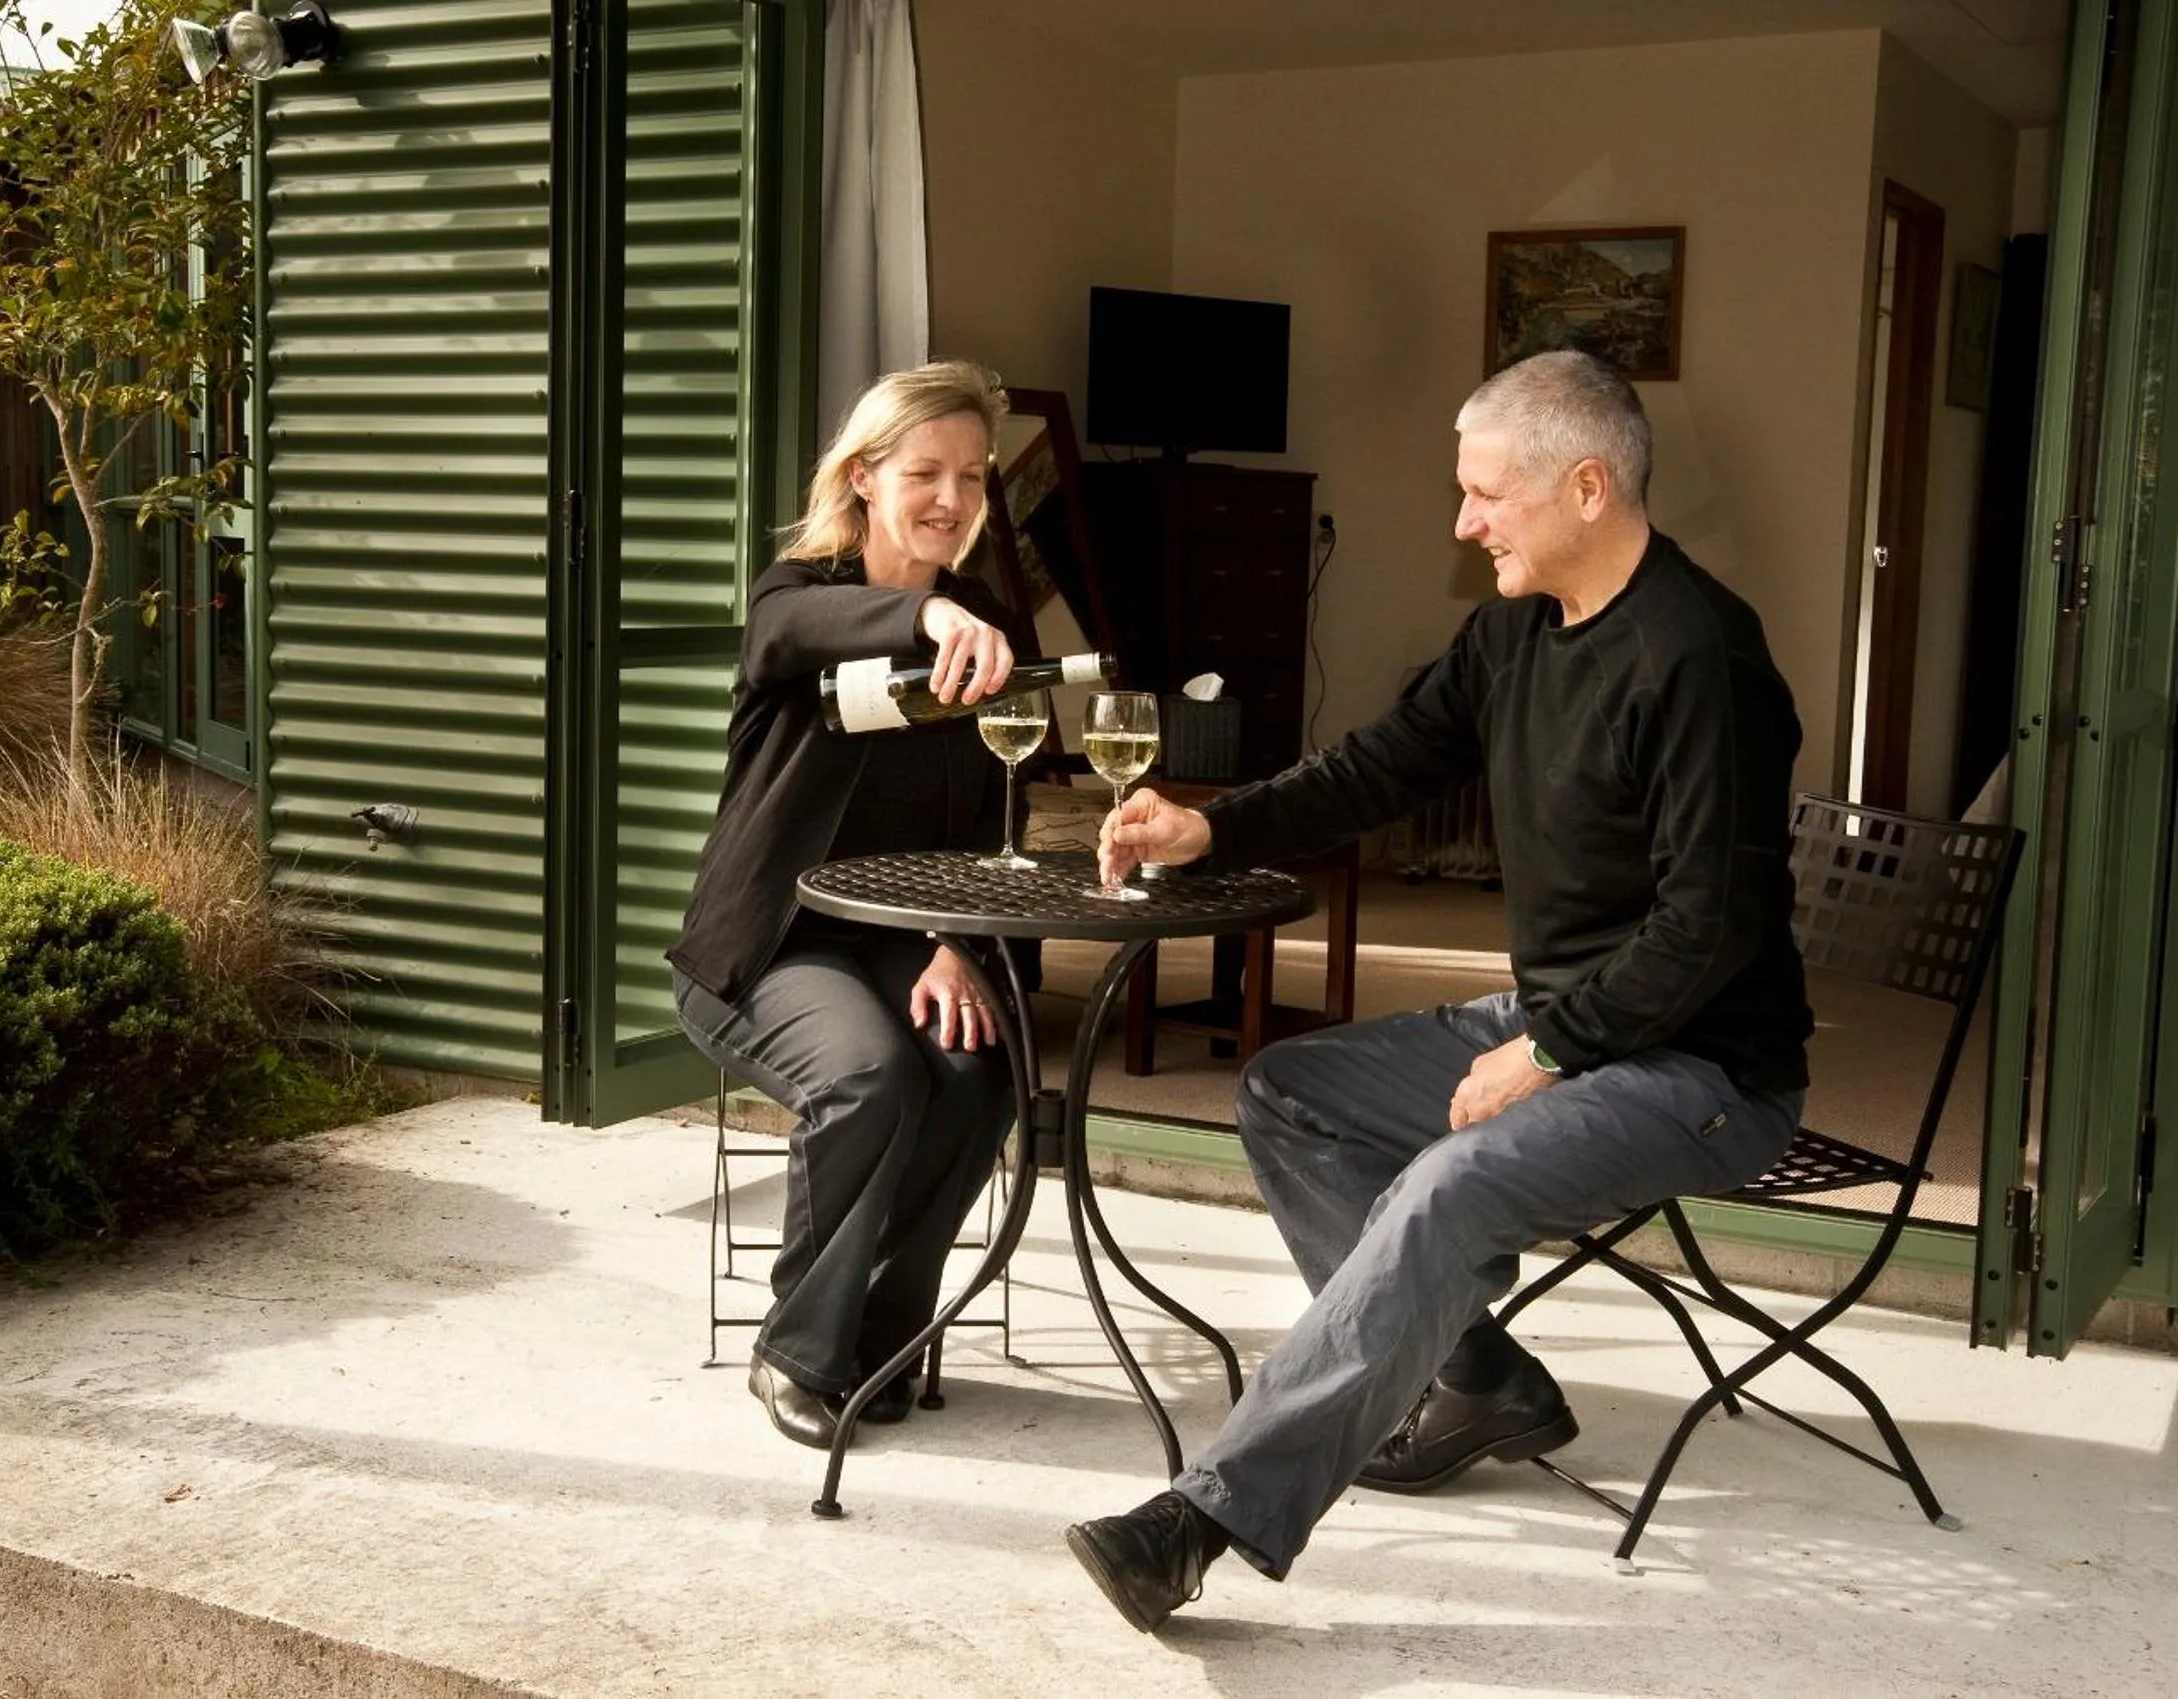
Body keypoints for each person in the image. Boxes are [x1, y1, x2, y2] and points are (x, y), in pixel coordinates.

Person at [1062, 349, 1815, 1632]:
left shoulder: (1702, 657)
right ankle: (1469, 1373)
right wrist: (1210, 825)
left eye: (1485, 496)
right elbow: (1378, 767)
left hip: (1705, 1069)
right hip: (1567, 1025)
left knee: (1448, 1182)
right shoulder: (1513, 631)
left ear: (1586, 487)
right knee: (1290, 1093)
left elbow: (1712, 928)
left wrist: (1552, 1050)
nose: (1463, 523)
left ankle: (1203, 1519)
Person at [668, 360, 1029, 1450]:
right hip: (765, 951)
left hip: (894, 945)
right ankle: (795, 1350)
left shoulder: (988, 626)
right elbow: (794, 634)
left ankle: (877, 1342)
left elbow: (983, 825)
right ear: (864, 478)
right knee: (869, 1074)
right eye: (925, 472)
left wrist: (956, 944)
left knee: (975, 1076)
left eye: (972, 476)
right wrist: (922, 615)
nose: (952, 500)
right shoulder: (796, 592)